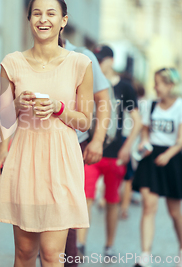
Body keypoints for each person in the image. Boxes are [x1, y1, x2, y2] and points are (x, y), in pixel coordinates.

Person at [0, 0, 93, 267]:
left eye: (51, 13)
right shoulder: (12, 63)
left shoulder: (80, 63)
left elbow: (85, 120)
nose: (43, 19)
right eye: (37, 13)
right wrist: (16, 103)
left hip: (61, 161)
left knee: (51, 255)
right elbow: (2, 117)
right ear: (29, 20)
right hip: (25, 159)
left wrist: (59, 109)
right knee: (24, 255)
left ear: (63, 21)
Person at [77, 45, 142, 258]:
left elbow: (137, 121)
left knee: (112, 200)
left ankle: (109, 245)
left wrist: (127, 148)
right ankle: (80, 245)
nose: (97, 63)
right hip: (92, 151)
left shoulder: (125, 87)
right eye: (95, 59)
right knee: (85, 196)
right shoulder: (89, 83)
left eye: (101, 60)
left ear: (111, 61)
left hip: (115, 152)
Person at [132, 68, 182, 267]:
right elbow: (145, 132)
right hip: (151, 159)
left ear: (170, 85)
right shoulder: (150, 106)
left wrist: (167, 155)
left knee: (174, 211)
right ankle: (145, 256)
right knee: (148, 207)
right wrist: (144, 143)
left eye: (158, 83)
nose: (154, 87)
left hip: (172, 159)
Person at [62, 38, 111, 265]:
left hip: (75, 143)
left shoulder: (83, 57)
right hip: (38, 143)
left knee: (67, 208)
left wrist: (98, 140)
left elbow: (103, 99)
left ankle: (68, 260)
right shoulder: (31, 57)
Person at [120, 81, 146, 219]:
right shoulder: (142, 104)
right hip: (133, 142)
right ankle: (124, 207)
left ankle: (118, 204)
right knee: (127, 177)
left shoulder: (128, 103)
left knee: (124, 175)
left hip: (126, 140)